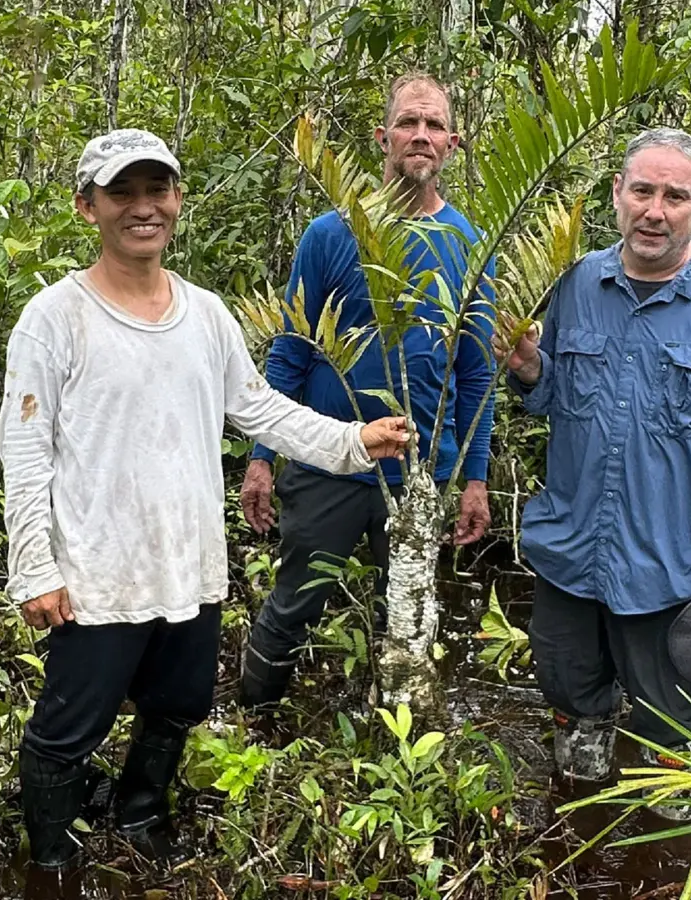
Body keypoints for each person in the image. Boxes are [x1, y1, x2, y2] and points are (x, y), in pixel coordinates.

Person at [0, 128, 411, 878]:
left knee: (177, 704)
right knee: (67, 729)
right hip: (97, 573)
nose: (142, 208)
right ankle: (51, 863)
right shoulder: (55, 318)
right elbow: (24, 452)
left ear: (178, 200)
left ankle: (141, 812)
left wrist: (355, 441)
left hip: (188, 565)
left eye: (156, 190)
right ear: (87, 206)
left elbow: (262, 410)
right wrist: (35, 570)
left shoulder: (206, 315)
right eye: (122, 192)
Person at [502, 128, 691, 819]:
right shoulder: (573, 285)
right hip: (573, 537)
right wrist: (532, 372)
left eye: (674, 196)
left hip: (668, 551)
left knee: (670, 692)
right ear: (618, 196)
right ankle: (587, 732)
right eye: (643, 191)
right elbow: (555, 397)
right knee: (566, 667)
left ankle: (665, 771)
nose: (655, 210)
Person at [238, 73, 497, 711]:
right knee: (294, 602)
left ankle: (400, 740)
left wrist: (472, 476)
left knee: (408, 615)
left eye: (434, 125)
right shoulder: (332, 234)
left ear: (453, 144)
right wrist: (263, 457)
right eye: (409, 123)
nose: (421, 136)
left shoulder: (469, 244)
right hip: (329, 460)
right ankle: (254, 719)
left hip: (417, 472)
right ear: (383, 137)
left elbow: (474, 373)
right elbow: (293, 349)